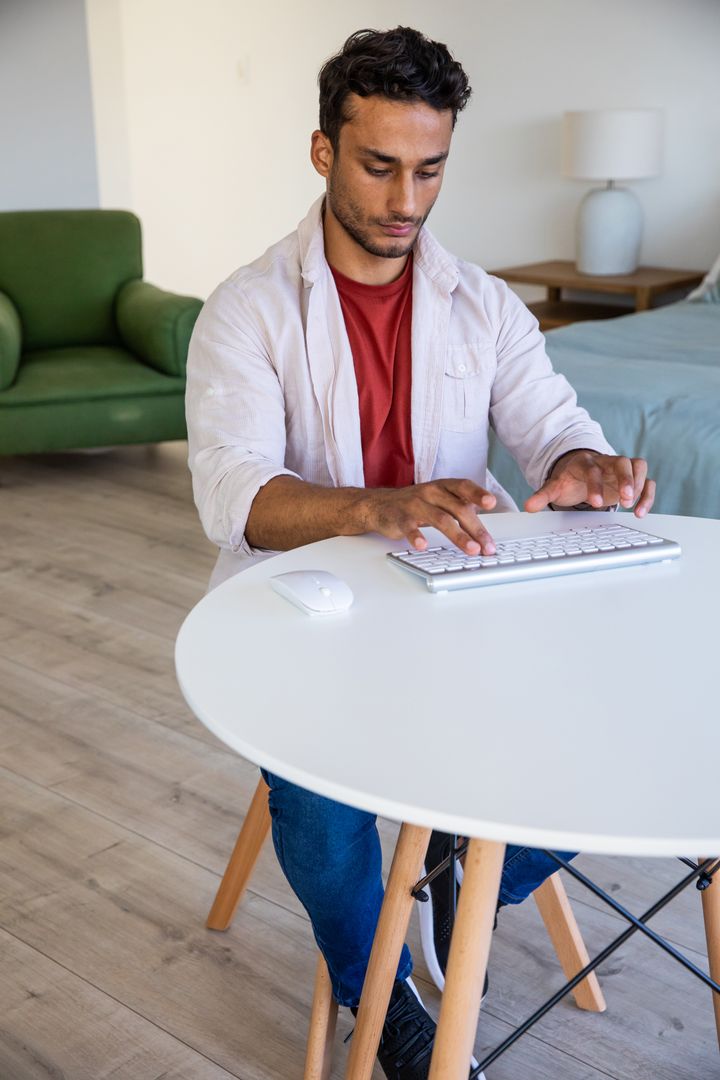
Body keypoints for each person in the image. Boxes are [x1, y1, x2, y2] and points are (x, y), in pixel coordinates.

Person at [186, 26, 655, 1079]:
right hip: (304, 617)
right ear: (323, 151)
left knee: (622, 730)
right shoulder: (248, 310)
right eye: (379, 166)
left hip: (460, 610)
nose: (406, 201)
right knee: (315, 786)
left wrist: (585, 463)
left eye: (430, 169)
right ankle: (381, 997)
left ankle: (450, 862)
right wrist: (377, 507)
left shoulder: (483, 303)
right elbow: (235, 497)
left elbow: (550, 422)